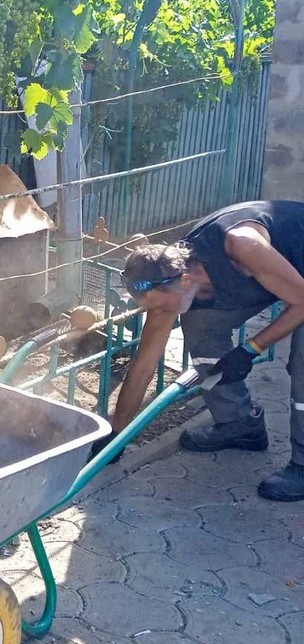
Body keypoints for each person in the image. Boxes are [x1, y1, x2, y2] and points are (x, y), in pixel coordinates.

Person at [105, 200, 304, 501]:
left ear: (185, 281)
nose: (157, 314)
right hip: (275, 277)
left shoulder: (241, 245)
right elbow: (143, 367)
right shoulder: (170, 275)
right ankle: (238, 423)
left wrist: (251, 348)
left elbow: (301, 301)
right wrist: (115, 436)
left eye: (158, 307)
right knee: (201, 323)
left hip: (296, 282)